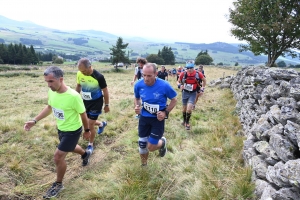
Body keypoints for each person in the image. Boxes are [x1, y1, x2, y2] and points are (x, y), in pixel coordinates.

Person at [24, 66, 92, 199]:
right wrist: (35, 120)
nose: (48, 85)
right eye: (46, 82)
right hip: (61, 128)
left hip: (73, 130)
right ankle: (85, 154)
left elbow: (83, 115)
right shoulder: (52, 92)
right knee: (70, 147)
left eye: (51, 81)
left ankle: (58, 184)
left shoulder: (74, 96)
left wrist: (87, 131)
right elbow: (50, 107)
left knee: (58, 156)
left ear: (60, 79)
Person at [134, 63, 177, 166]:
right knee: (142, 144)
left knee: (151, 147)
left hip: (157, 119)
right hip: (144, 117)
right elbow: (137, 98)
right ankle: (144, 165)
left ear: (156, 74)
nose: (146, 78)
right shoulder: (138, 85)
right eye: (144, 75)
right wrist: (137, 106)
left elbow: (174, 100)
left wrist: (165, 112)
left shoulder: (164, 85)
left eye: (149, 75)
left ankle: (162, 143)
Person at [76, 58, 110, 154]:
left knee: (90, 124)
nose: (82, 73)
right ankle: (101, 124)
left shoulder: (99, 76)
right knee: (85, 121)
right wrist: (75, 97)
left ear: (90, 67)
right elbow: (78, 85)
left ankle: (90, 145)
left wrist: (107, 104)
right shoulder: (79, 73)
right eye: (80, 71)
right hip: (85, 101)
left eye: (84, 71)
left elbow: (105, 91)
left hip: (96, 102)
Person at [178, 60, 206, 130]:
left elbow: (204, 80)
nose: (189, 69)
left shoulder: (198, 74)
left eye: (191, 68)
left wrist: (202, 88)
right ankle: (184, 121)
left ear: (193, 67)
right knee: (184, 109)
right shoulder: (183, 74)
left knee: (189, 108)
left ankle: (187, 123)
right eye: (188, 68)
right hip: (185, 92)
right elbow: (178, 81)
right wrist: (179, 85)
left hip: (193, 93)